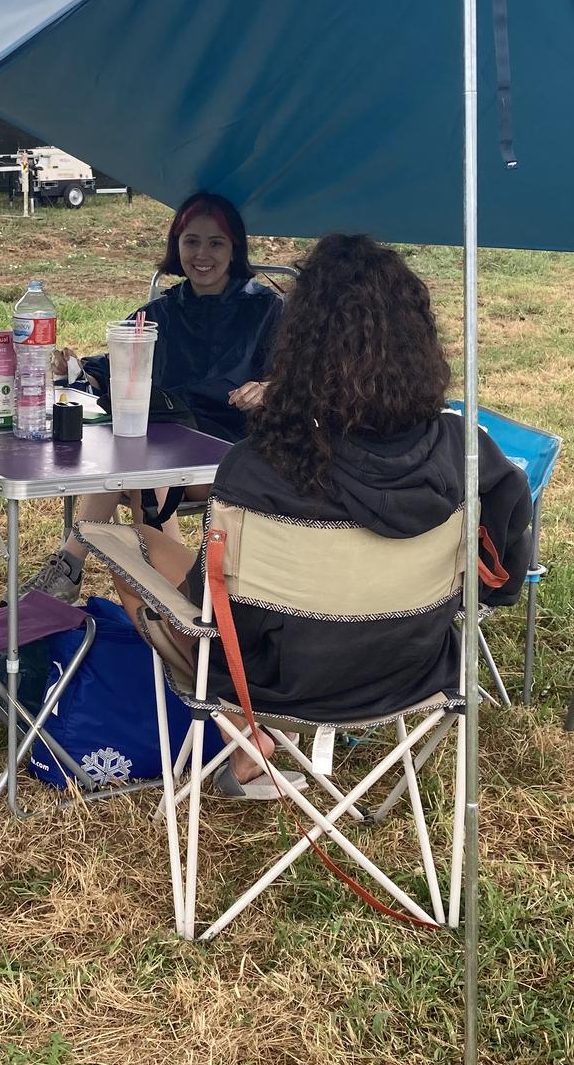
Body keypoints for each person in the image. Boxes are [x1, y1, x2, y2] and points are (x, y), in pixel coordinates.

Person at [107, 232, 534, 797]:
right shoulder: (467, 449)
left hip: (274, 686)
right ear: (418, 344)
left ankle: (244, 739)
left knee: (129, 544)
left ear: (299, 346)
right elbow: (500, 584)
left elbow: (216, 611)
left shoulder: (259, 467)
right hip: (415, 670)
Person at [28, 191, 284, 601]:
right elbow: (114, 365)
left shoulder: (267, 311)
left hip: (233, 454)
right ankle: (165, 591)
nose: (202, 254)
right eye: (191, 241)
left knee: (138, 466)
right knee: (135, 457)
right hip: (161, 447)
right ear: (176, 246)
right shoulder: (162, 312)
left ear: (235, 249)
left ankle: (85, 572)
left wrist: (270, 390)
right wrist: (79, 372)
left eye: (216, 242)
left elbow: (305, 382)